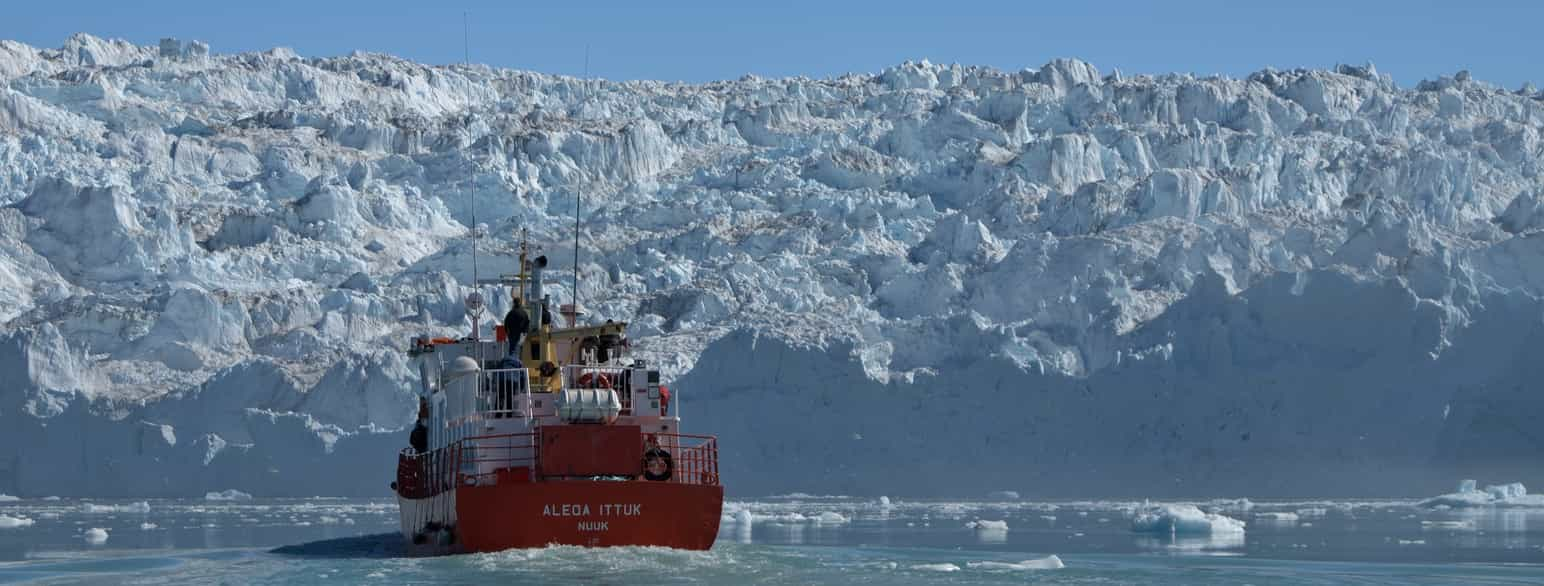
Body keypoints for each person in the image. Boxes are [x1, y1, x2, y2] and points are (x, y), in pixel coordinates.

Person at [503, 295, 530, 360]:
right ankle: (520, 362)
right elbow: (527, 323)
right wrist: (525, 332)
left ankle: (513, 363)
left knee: (512, 349)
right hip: (521, 334)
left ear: (514, 303)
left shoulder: (511, 313)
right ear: (520, 303)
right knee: (521, 349)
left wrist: (507, 332)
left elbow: (506, 323)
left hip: (512, 334)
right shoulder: (524, 313)